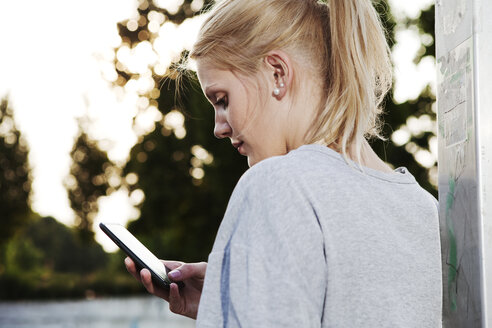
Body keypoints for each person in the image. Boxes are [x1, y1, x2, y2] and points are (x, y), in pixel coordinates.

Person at [125, 0, 442, 326]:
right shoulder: (424, 207)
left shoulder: (276, 183)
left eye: (222, 100)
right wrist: (237, 296)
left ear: (277, 73)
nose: (219, 128)